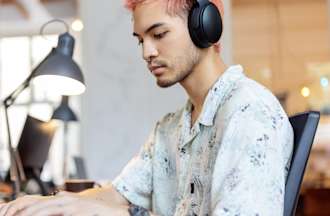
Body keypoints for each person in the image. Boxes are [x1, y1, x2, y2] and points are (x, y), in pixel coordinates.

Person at [0, 0, 294, 215]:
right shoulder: (171, 127)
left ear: (204, 26)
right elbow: (119, 194)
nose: (147, 52)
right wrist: (53, 202)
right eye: (141, 40)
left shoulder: (248, 112)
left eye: (159, 34)